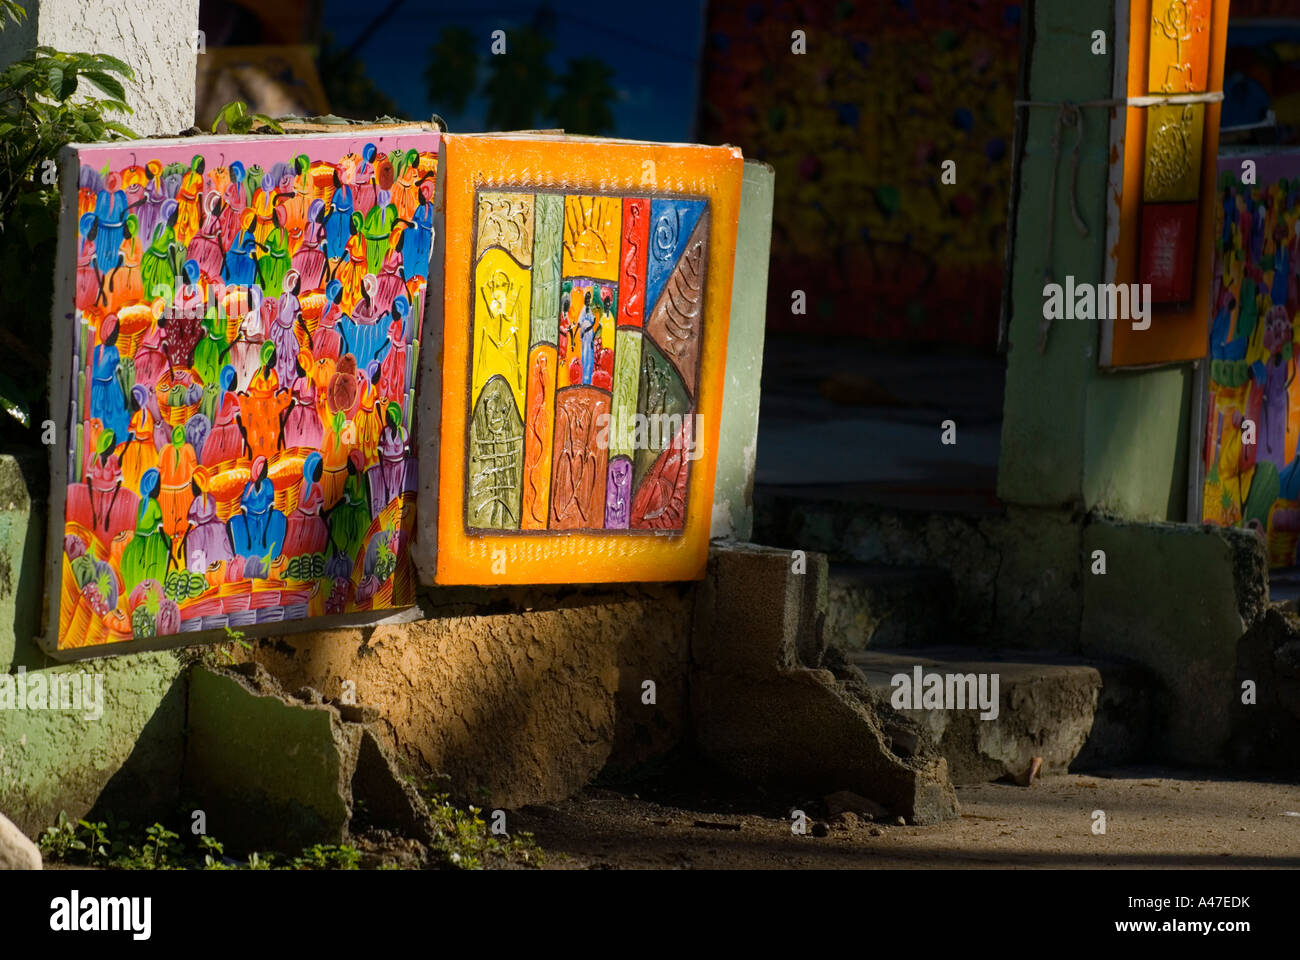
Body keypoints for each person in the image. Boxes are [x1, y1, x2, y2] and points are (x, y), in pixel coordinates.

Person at [120, 467, 170, 591]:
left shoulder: (142, 502)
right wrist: (167, 544)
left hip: (137, 539)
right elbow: (160, 528)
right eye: (158, 485)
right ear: (153, 487)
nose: (159, 488)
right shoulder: (154, 504)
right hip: (150, 540)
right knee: (167, 543)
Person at [229, 455, 287, 561]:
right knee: (235, 523)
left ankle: (272, 555)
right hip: (250, 516)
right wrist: (245, 514)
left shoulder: (268, 483)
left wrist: (268, 517)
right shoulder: (249, 486)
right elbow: (244, 503)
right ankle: (243, 556)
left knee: (279, 518)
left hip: (264, 514)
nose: (266, 471)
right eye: (264, 469)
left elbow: (270, 502)